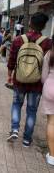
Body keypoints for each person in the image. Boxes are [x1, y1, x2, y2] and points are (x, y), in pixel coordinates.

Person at [7, 12, 51, 147]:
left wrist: (9, 75)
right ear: (44, 26)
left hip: (19, 80)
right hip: (36, 83)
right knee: (31, 110)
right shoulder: (48, 42)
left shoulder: (18, 40)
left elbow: (12, 60)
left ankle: (14, 129)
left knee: (16, 105)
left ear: (30, 23)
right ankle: (26, 139)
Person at [41, 35, 54, 165]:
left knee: (52, 122)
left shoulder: (49, 54)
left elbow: (44, 76)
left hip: (50, 87)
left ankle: (52, 156)